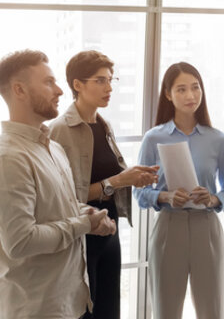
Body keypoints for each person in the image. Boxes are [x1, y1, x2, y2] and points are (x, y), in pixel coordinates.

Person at [0, 49, 117, 319]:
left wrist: (89, 213)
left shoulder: (52, 147)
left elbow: (60, 206)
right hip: (38, 309)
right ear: (19, 90)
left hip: (73, 301)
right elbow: (21, 241)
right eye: (48, 82)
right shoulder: (8, 159)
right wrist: (84, 225)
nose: (59, 90)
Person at [49, 50, 159, 319]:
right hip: (82, 236)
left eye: (111, 80)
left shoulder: (103, 124)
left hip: (110, 230)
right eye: (100, 80)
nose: (109, 87)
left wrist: (134, 176)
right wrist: (120, 179)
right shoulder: (60, 130)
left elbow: (109, 178)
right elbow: (66, 198)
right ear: (77, 84)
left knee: (110, 310)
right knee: (84, 310)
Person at [134, 62, 224, 319]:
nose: (190, 95)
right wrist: (165, 196)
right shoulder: (153, 138)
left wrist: (214, 198)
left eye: (195, 88)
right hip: (169, 227)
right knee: (166, 311)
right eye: (181, 89)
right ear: (168, 94)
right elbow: (139, 193)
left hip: (207, 228)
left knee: (212, 311)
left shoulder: (218, 140)